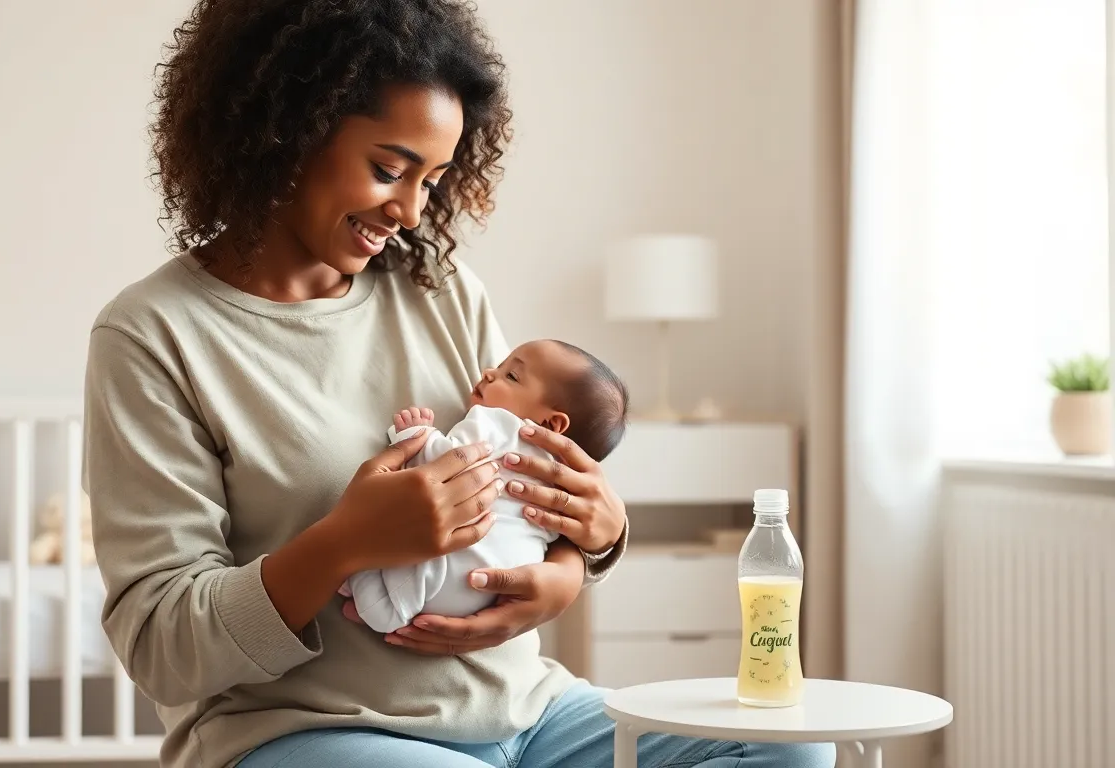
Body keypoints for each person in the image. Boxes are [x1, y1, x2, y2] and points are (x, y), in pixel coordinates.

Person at [81, 1, 837, 767]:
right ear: (288, 131)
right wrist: (343, 544)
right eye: (388, 168)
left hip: (529, 713)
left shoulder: (440, 289)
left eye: (433, 179)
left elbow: (533, 490)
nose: (410, 212)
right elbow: (160, 645)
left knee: (793, 752)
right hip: (313, 729)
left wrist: (576, 566)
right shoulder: (154, 335)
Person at [341, 339, 631, 634]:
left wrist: (416, 433)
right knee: (388, 607)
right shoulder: (563, 483)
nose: (489, 372)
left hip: (445, 569)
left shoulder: (497, 423)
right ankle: (370, 598)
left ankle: (360, 585)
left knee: (386, 593)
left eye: (512, 376)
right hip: (490, 591)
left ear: (553, 424)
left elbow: (444, 459)